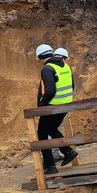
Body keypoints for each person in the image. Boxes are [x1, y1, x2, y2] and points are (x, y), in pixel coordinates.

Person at [35, 44, 79, 175]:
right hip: (65, 104)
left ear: (42, 58)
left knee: (42, 134)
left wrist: (42, 104)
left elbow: (49, 90)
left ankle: (50, 166)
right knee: (52, 129)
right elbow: (72, 85)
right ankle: (68, 151)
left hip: (53, 106)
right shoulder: (65, 66)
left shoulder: (47, 69)